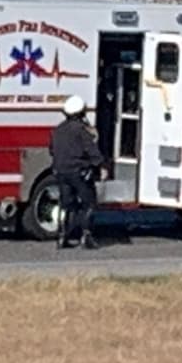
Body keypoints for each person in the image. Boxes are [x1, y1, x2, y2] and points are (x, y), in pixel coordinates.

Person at [49, 94, 106, 249]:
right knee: (89, 203)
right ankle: (86, 237)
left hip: (60, 172)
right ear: (82, 112)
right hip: (79, 172)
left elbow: (52, 150)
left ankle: (62, 236)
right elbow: (92, 151)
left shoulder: (58, 130)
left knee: (66, 204)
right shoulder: (82, 131)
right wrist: (101, 165)